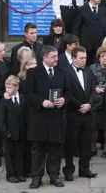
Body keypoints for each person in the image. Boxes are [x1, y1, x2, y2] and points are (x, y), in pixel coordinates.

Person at [26, 46, 69, 189]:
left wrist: (64, 99)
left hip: (56, 117)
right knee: (38, 149)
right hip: (39, 117)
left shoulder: (62, 72)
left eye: (57, 56)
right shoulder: (33, 72)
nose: (57, 59)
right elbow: (28, 93)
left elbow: (69, 91)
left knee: (55, 149)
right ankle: (36, 177)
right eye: (53, 56)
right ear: (45, 57)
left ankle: (54, 176)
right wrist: (41, 101)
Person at [62, 46, 98, 181]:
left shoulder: (89, 72)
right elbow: (67, 93)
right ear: (73, 58)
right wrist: (79, 106)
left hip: (87, 113)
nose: (84, 61)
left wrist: (89, 104)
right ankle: (69, 170)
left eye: (85, 58)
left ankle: (84, 168)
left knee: (86, 143)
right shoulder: (65, 72)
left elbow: (94, 90)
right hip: (73, 113)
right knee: (70, 143)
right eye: (81, 58)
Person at [0, 75, 27, 183]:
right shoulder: (4, 101)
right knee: (9, 155)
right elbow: (2, 119)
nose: (7, 90)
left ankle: (20, 173)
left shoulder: (23, 98)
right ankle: (10, 175)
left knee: (19, 154)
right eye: (6, 88)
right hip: (9, 133)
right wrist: (5, 132)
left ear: (17, 87)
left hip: (20, 132)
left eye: (10, 88)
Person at [73, 0, 106, 66]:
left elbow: (105, 26)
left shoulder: (104, 10)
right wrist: (77, 43)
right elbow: (76, 28)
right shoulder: (81, 9)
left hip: (99, 44)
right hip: (86, 44)